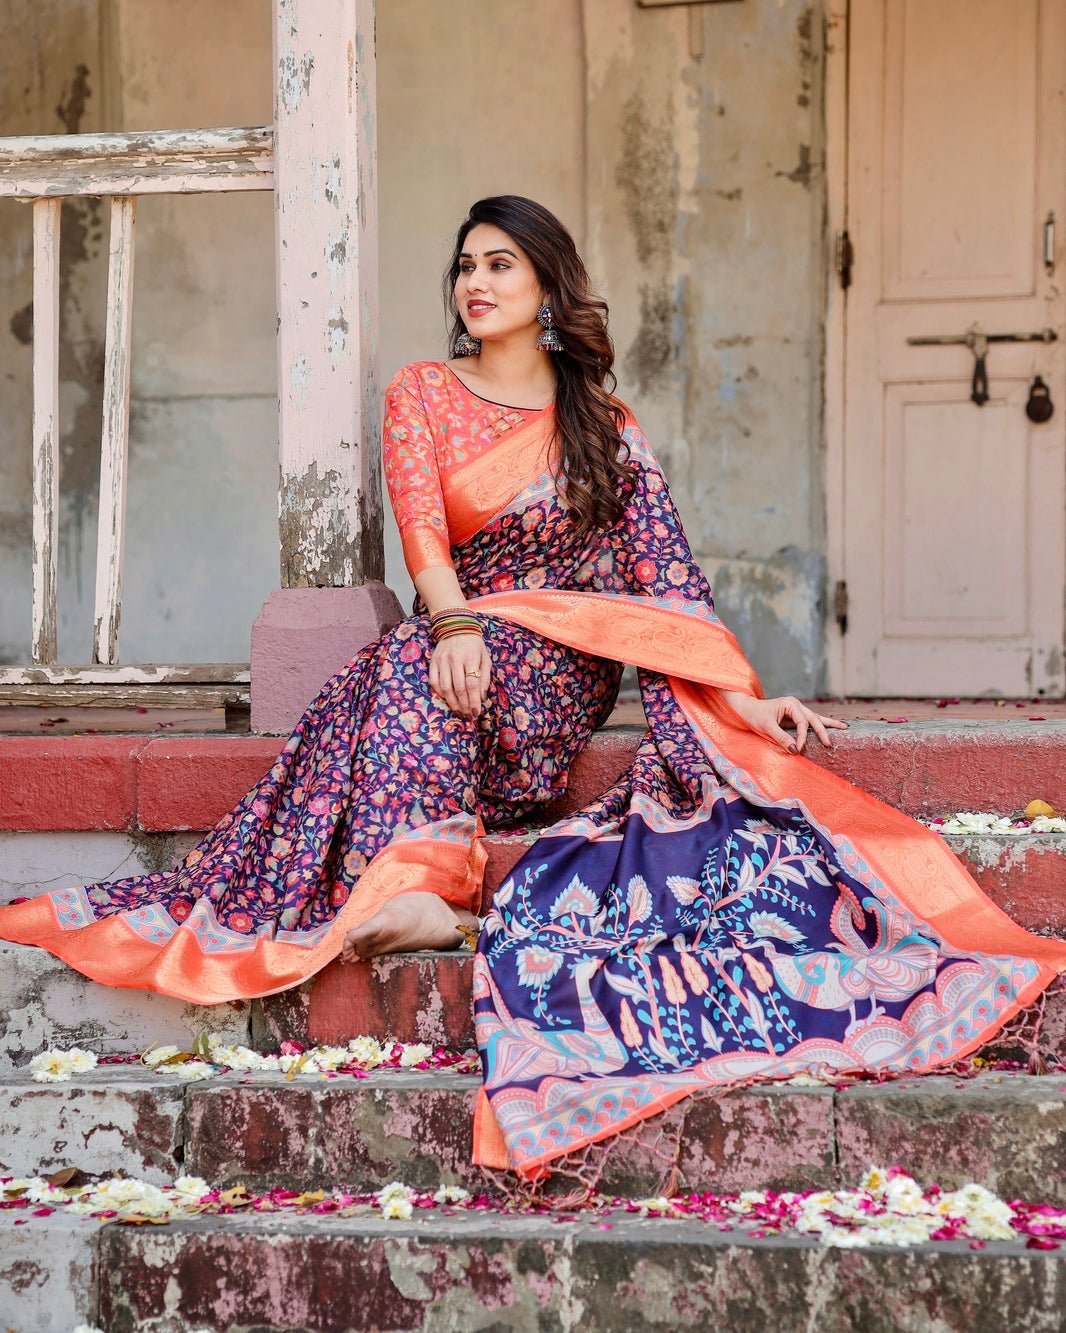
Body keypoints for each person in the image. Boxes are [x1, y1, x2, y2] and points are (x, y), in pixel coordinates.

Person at [1, 196, 1062, 1182]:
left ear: (548, 287)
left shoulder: (604, 424)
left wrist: (741, 701)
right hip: (459, 653)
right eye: (465, 265)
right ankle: (416, 885)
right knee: (402, 660)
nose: (475, 282)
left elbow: (665, 577)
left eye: (499, 264)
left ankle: (419, 872)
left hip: (553, 677)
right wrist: (456, 617)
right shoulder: (421, 392)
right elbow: (421, 526)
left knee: (407, 665)